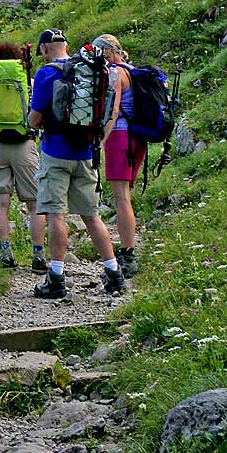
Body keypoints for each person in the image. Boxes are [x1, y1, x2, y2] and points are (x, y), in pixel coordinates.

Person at [29, 27, 127, 298]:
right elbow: (109, 113)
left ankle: (57, 278)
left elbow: (35, 119)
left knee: (56, 213)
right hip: (86, 152)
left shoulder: (46, 73)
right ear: (67, 45)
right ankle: (114, 274)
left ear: (44, 49)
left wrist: (31, 121)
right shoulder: (93, 71)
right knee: (91, 215)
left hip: (55, 153)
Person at [0, 41, 47, 272]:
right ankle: (38, 256)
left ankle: (6, 254)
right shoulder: (29, 84)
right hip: (24, 145)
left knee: (1, 204)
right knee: (35, 204)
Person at [92, 34, 143, 278]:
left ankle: (127, 255)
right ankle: (128, 250)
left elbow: (112, 110)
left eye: (100, 53)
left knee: (121, 198)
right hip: (137, 139)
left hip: (119, 137)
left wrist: (101, 140)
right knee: (126, 196)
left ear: (109, 53)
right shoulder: (133, 71)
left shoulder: (115, 73)